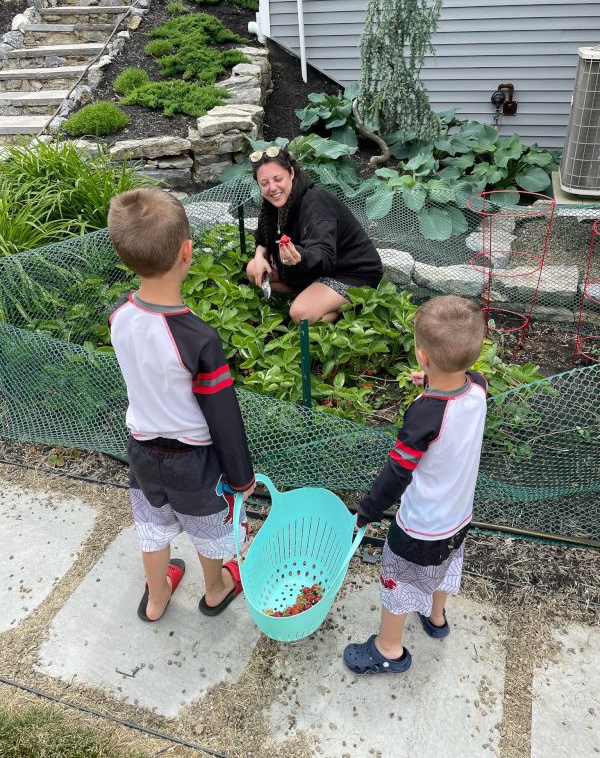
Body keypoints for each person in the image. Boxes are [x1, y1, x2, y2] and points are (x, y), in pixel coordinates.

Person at [107, 188, 256, 623]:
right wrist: (242, 476)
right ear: (187, 252)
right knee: (208, 528)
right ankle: (216, 589)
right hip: (194, 460)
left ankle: (156, 599)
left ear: (125, 255)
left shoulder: (119, 315)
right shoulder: (198, 338)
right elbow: (223, 417)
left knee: (151, 527)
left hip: (140, 449)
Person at [343, 295, 488, 675]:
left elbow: (398, 471)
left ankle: (388, 649)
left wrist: (368, 510)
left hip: (420, 526)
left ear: (422, 355)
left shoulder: (426, 413)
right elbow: (459, 385)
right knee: (444, 565)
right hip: (458, 517)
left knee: (398, 581)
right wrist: (433, 381)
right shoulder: (479, 388)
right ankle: (436, 618)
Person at [245, 146, 383, 323]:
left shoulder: (315, 204)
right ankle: (314, 297)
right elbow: (263, 235)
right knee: (253, 270)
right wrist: (259, 255)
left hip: (351, 272)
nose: (272, 188)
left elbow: (324, 255)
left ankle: (343, 310)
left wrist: (299, 257)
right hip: (312, 269)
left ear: (291, 174)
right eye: (264, 183)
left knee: (300, 314)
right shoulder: (274, 204)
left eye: (277, 179)